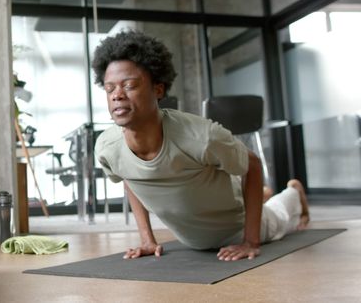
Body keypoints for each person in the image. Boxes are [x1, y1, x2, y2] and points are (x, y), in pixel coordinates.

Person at [92, 30, 310, 262]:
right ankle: (260, 195)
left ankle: (293, 193)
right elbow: (129, 176)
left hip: (234, 227)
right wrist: (147, 239)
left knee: (278, 217)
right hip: (195, 233)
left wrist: (250, 241)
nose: (117, 95)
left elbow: (253, 164)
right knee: (238, 190)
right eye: (109, 88)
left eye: (129, 85)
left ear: (158, 89)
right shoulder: (108, 147)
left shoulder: (201, 136)